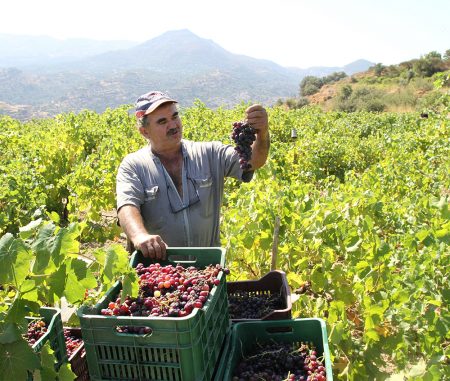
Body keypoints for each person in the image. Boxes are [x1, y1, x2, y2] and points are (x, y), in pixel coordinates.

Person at [116, 90, 270, 259]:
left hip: (207, 269)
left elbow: (254, 161)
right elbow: (126, 206)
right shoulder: (133, 165)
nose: (173, 125)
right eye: (162, 121)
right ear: (145, 131)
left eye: (175, 116)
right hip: (161, 273)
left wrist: (262, 133)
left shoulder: (210, 153)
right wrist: (140, 236)